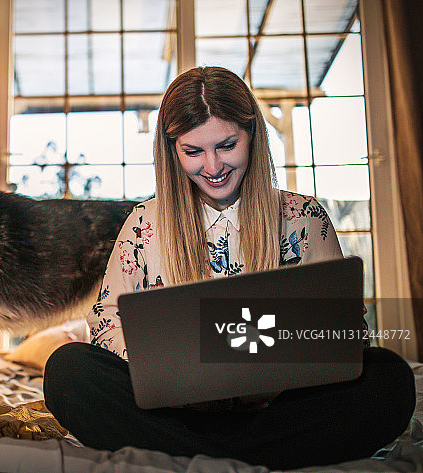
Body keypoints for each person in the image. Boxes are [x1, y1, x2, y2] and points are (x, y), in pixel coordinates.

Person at [43, 66, 415, 470]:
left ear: (252, 134)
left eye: (226, 145)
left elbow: (345, 332)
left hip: (280, 411)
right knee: (68, 371)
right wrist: (163, 369)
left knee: (389, 378)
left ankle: (201, 454)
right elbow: (106, 323)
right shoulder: (144, 223)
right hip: (175, 413)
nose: (213, 166)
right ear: (172, 151)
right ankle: (252, 455)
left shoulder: (304, 216)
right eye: (193, 152)